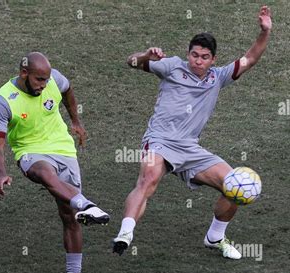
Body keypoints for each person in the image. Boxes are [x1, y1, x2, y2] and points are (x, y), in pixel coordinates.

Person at [112, 6, 272, 258]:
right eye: (194, 55)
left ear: (213, 60)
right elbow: (130, 62)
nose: (197, 60)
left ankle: (215, 237)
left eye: (204, 57)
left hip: (190, 148)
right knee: (148, 179)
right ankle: (125, 233)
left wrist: (264, 31)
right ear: (188, 54)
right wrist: (146, 55)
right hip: (160, 141)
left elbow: (250, 58)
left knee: (235, 186)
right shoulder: (172, 66)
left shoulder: (218, 78)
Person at [0, 52, 109, 273]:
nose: (44, 85)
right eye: (39, 80)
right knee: (46, 174)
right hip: (30, 152)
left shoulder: (54, 79)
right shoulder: (4, 100)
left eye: (46, 80)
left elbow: (67, 90)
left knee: (70, 216)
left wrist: (76, 121)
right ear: (24, 74)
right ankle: (86, 203)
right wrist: (1, 174)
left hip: (63, 148)